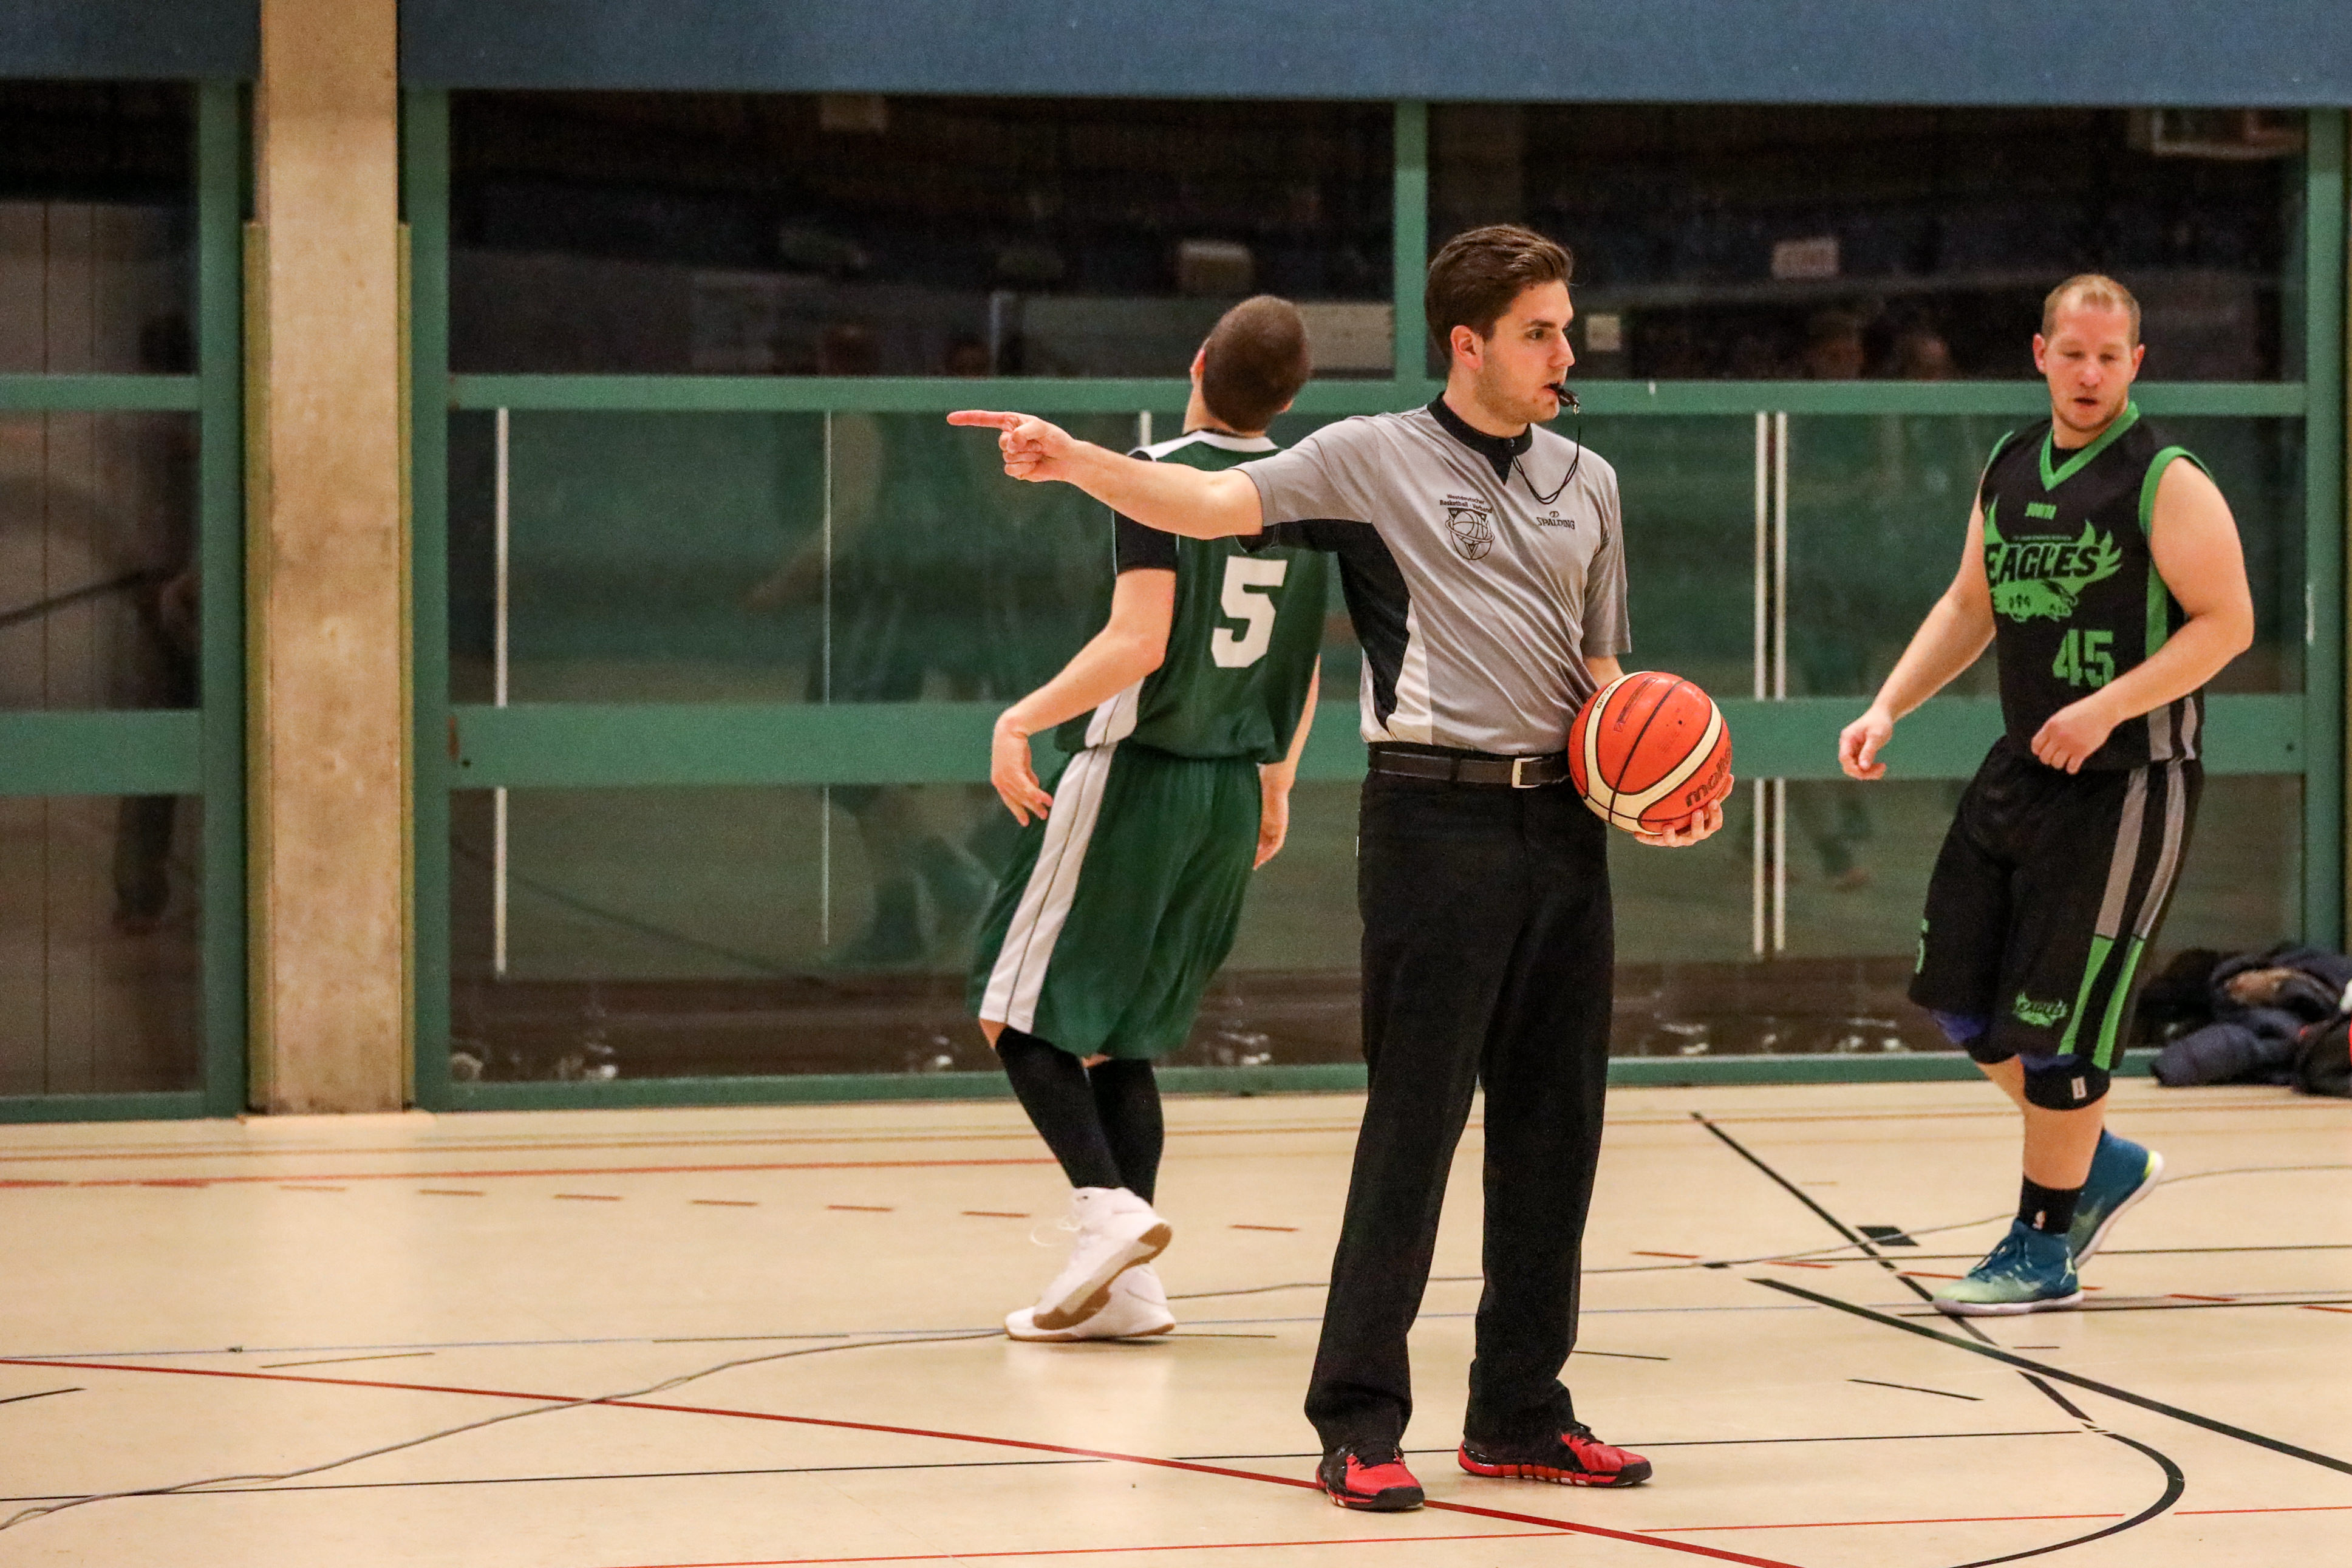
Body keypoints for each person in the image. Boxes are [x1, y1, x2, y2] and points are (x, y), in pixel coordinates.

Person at [952, 225, 1725, 1511]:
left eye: (1564, 327)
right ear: (1467, 343)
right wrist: (1075, 458)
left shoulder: (1589, 479)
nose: (1563, 351)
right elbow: (1208, 505)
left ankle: (1521, 1412)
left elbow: (1604, 677)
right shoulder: (1368, 457)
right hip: (1433, 825)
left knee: (1555, 1134)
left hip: (1561, 831)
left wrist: (1659, 791)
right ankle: (1358, 1419)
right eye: (1537, 331)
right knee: (1411, 1131)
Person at [1839, 274, 2254, 1315]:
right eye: (2072, 353)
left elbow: (2227, 623)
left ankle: (2042, 1245)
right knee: (1958, 1000)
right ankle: (2094, 1157)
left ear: (2135, 364)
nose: (2089, 373)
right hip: (2022, 768)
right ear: (2040, 354)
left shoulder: (2163, 478)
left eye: (2109, 357)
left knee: (2060, 1033)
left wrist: (2106, 707)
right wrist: (1887, 705)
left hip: (2126, 784)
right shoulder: (2009, 464)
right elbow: (1966, 604)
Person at [967, 296, 1328, 1343]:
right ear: (1290, 397)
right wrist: (1276, 781)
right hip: (1229, 789)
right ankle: (1129, 1293)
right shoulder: (1306, 493)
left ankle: (1106, 1209)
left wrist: (1020, 718)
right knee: (1119, 1034)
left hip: (1135, 775)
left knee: (1013, 1011)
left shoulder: (1156, 474)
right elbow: (1303, 662)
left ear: (1198, 362)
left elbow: (1140, 639)